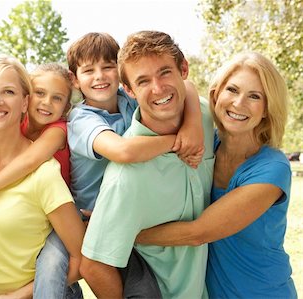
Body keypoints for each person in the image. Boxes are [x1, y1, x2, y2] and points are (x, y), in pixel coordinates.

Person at [135, 52, 298, 298]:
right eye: (232, 90)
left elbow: (198, 232)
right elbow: (187, 85)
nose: (238, 103)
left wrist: (126, 233)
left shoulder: (272, 168)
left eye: (254, 96)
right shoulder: (207, 144)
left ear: (266, 109)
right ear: (216, 94)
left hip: (264, 292)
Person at [79, 30, 215, 298]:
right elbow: (93, 265)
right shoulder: (126, 178)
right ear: (128, 90)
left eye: (165, 72)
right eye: (143, 81)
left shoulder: (205, 117)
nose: (158, 88)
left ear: (183, 68)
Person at [0, 54, 85, 297]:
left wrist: (12, 297)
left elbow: (81, 260)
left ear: (24, 103)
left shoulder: (44, 173)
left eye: (8, 92)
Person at [67, 32, 204, 217]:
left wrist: (192, 125)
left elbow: (187, 86)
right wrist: (179, 141)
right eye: (88, 71)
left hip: (134, 205)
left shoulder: (128, 97)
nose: (99, 76)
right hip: (94, 215)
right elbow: (124, 151)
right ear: (74, 79)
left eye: (108, 67)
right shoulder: (80, 119)